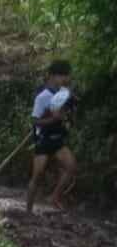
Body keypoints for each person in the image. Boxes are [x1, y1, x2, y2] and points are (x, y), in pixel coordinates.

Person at [26, 60, 76, 214]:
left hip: (58, 139)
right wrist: (53, 119)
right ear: (52, 76)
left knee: (71, 167)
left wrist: (67, 115)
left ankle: (55, 196)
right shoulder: (42, 97)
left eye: (66, 76)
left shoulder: (64, 94)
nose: (64, 79)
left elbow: (69, 112)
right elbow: (34, 120)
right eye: (61, 75)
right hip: (43, 139)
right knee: (38, 175)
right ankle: (28, 210)